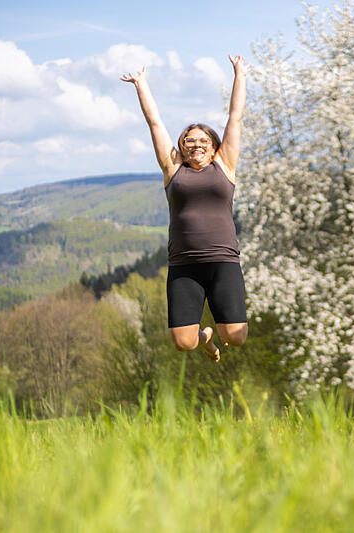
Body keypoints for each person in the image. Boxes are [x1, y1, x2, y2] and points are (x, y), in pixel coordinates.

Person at [121, 55, 249, 361]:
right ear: (182, 146)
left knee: (236, 337)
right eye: (189, 140)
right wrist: (141, 85)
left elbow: (235, 117)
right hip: (184, 265)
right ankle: (205, 337)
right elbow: (154, 123)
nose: (196, 144)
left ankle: (215, 333)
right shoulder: (172, 169)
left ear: (214, 146)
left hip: (222, 261)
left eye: (203, 140)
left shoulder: (225, 165)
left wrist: (240, 75)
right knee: (183, 343)